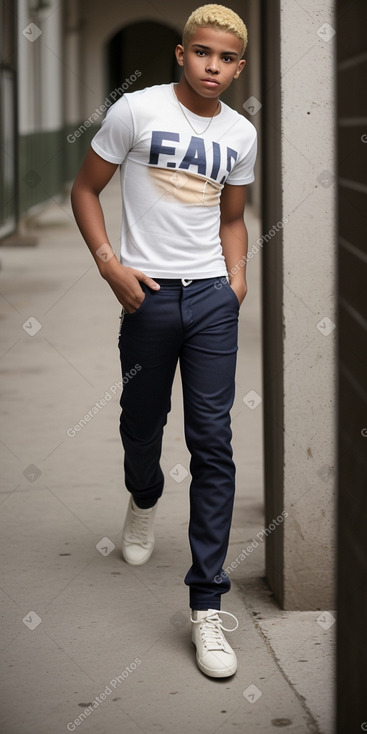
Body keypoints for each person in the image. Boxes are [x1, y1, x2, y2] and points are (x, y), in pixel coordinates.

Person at [71, 3, 257, 678]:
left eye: (227, 58)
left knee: (213, 441)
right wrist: (108, 263)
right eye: (202, 53)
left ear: (239, 66)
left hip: (210, 299)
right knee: (140, 423)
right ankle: (143, 497)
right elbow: (85, 188)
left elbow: (233, 219)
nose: (213, 66)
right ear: (182, 54)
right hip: (145, 297)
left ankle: (207, 605)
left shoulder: (239, 133)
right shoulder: (137, 112)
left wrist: (235, 282)